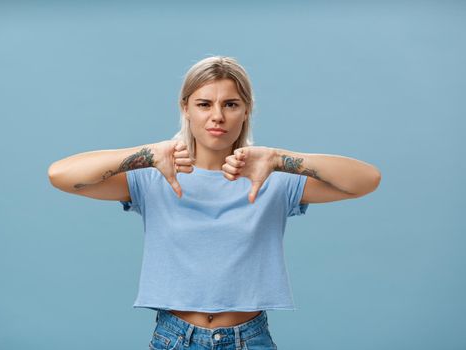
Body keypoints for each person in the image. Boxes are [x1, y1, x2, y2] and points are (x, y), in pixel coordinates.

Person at [48, 56, 381, 349]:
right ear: (186, 109)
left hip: (248, 340)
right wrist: (145, 155)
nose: (217, 116)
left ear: (246, 109)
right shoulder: (153, 177)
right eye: (204, 104)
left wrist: (280, 159)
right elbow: (61, 175)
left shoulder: (272, 178)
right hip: (174, 339)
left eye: (231, 104)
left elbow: (366, 180)